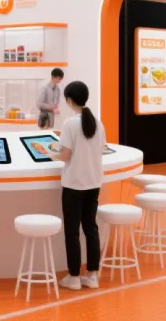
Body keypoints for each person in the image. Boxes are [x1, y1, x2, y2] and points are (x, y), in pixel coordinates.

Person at [50, 81, 103, 291]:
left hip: (73, 185)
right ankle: (92, 275)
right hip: (93, 183)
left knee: (72, 231)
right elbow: (100, 149)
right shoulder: (97, 122)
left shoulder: (70, 124)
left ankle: (73, 277)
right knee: (91, 228)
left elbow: (65, 155)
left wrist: (51, 154)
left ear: (70, 100)